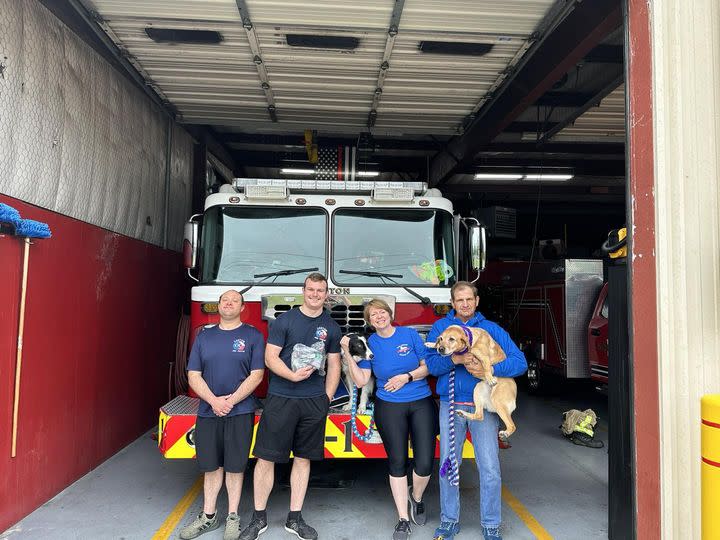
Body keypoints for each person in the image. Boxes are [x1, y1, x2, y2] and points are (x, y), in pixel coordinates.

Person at [239, 273, 341, 540]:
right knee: (266, 458)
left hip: (313, 402)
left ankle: (294, 519)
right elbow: (270, 358)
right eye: (311, 289)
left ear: (326, 294)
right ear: (303, 291)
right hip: (281, 397)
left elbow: (334, 364)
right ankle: (258, 518)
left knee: (303, 459)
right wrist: (292, 376)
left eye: (321, 291)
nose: (316, 294)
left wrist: (327, 397)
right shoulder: (284, 321)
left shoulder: (331, 326)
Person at [425, 281, 527, 540]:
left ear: (477, 301)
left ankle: (491, 524)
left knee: (489, 466)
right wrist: (455, 359)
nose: (465, 304)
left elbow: (519, 363)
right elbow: (432, 366)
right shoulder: (441, 329)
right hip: (451, 403)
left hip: (484, 406)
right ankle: (449, 521)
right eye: (460, 300)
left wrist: (488, 371)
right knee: (449, 465)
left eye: (469, 299)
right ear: (453, 303)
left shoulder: (491, 329)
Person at [341, 299, 438, 540]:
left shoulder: (409, 335)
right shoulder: (369, 343)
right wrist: (346, 352)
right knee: (397, 461)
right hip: (388, 406)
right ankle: (403, 518)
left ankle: (415, 498)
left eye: (382, 312)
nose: (379, 317)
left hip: (420, 400)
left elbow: (428, 367)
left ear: (389, 313)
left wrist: (407, 377)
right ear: (369, 321)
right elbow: (362, 381)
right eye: (373, 315)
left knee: (424, 463)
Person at [180, 290, 265, 540]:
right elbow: (193, 374)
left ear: (242, 308)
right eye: (225, 300)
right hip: (208, 411)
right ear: (218, 306)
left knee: (235, 467)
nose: (229, 303)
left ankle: (232, 517)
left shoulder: (252, 335)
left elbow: (257, 374)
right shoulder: (204, 337)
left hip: (240, 411)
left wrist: (230, 401)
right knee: (211, 466)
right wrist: (214, 401)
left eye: (235, 301)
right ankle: (208, 516)